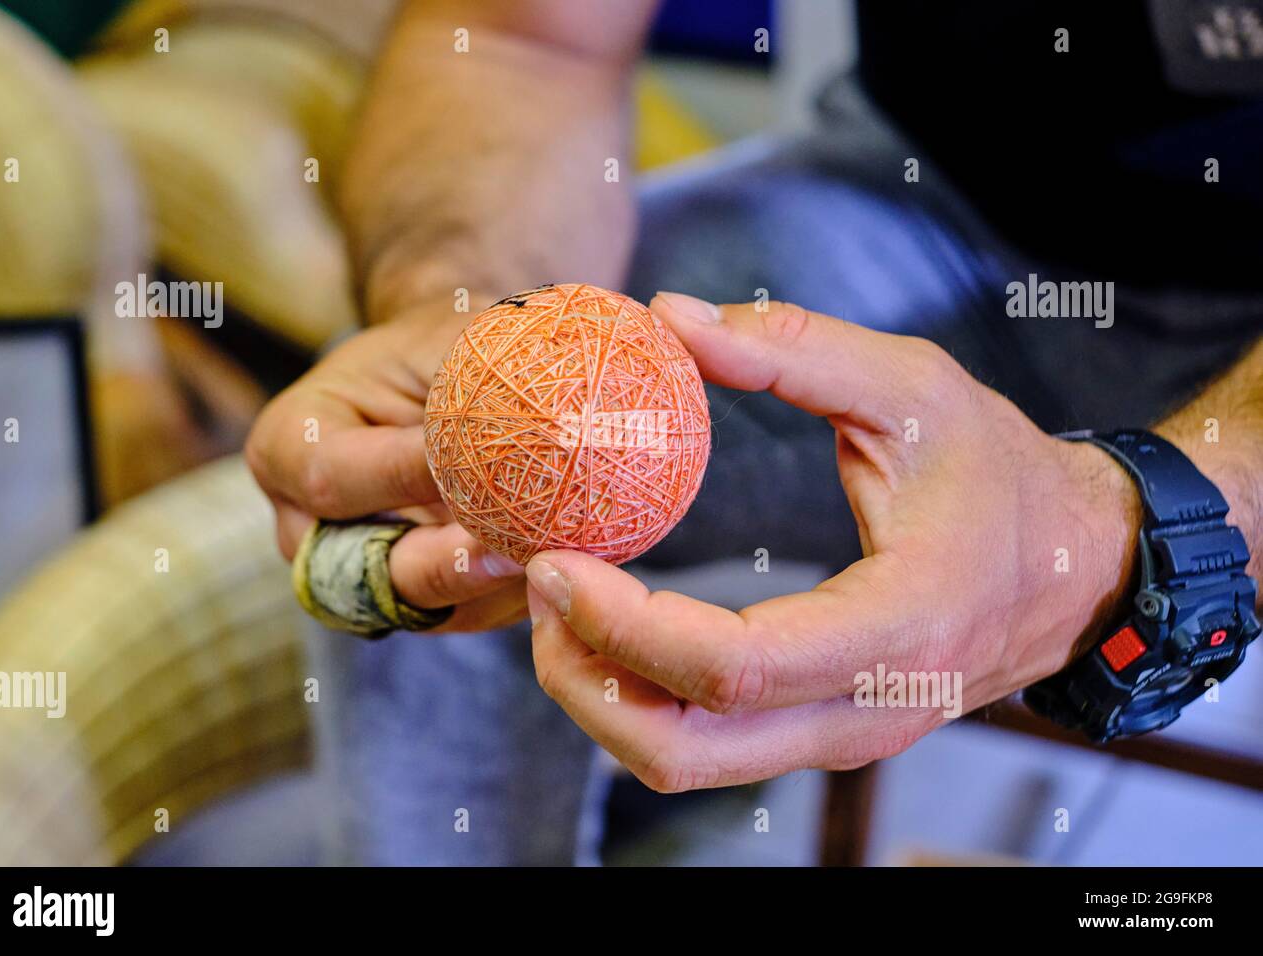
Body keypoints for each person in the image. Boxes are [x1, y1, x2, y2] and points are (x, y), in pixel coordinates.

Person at [245, 0, 1263, 863]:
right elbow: (518, 40)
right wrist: (455, 313)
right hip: (927, 200)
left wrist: (1152, 526)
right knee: (403, 468)